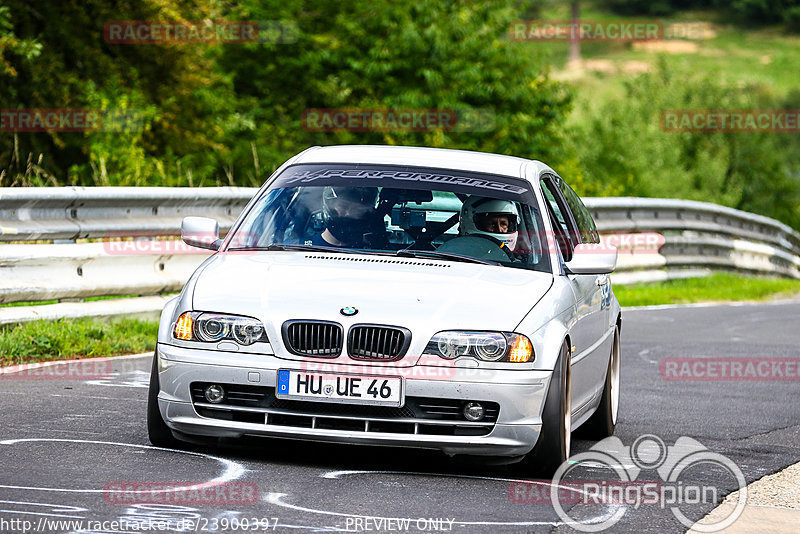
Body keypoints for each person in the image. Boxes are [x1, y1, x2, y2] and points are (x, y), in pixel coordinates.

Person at [309, 186, 382, 247]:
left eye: (357, 210)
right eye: (343, 206)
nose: (348, 213)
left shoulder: (373, 251)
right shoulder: (304, 248)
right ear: (330, 206)